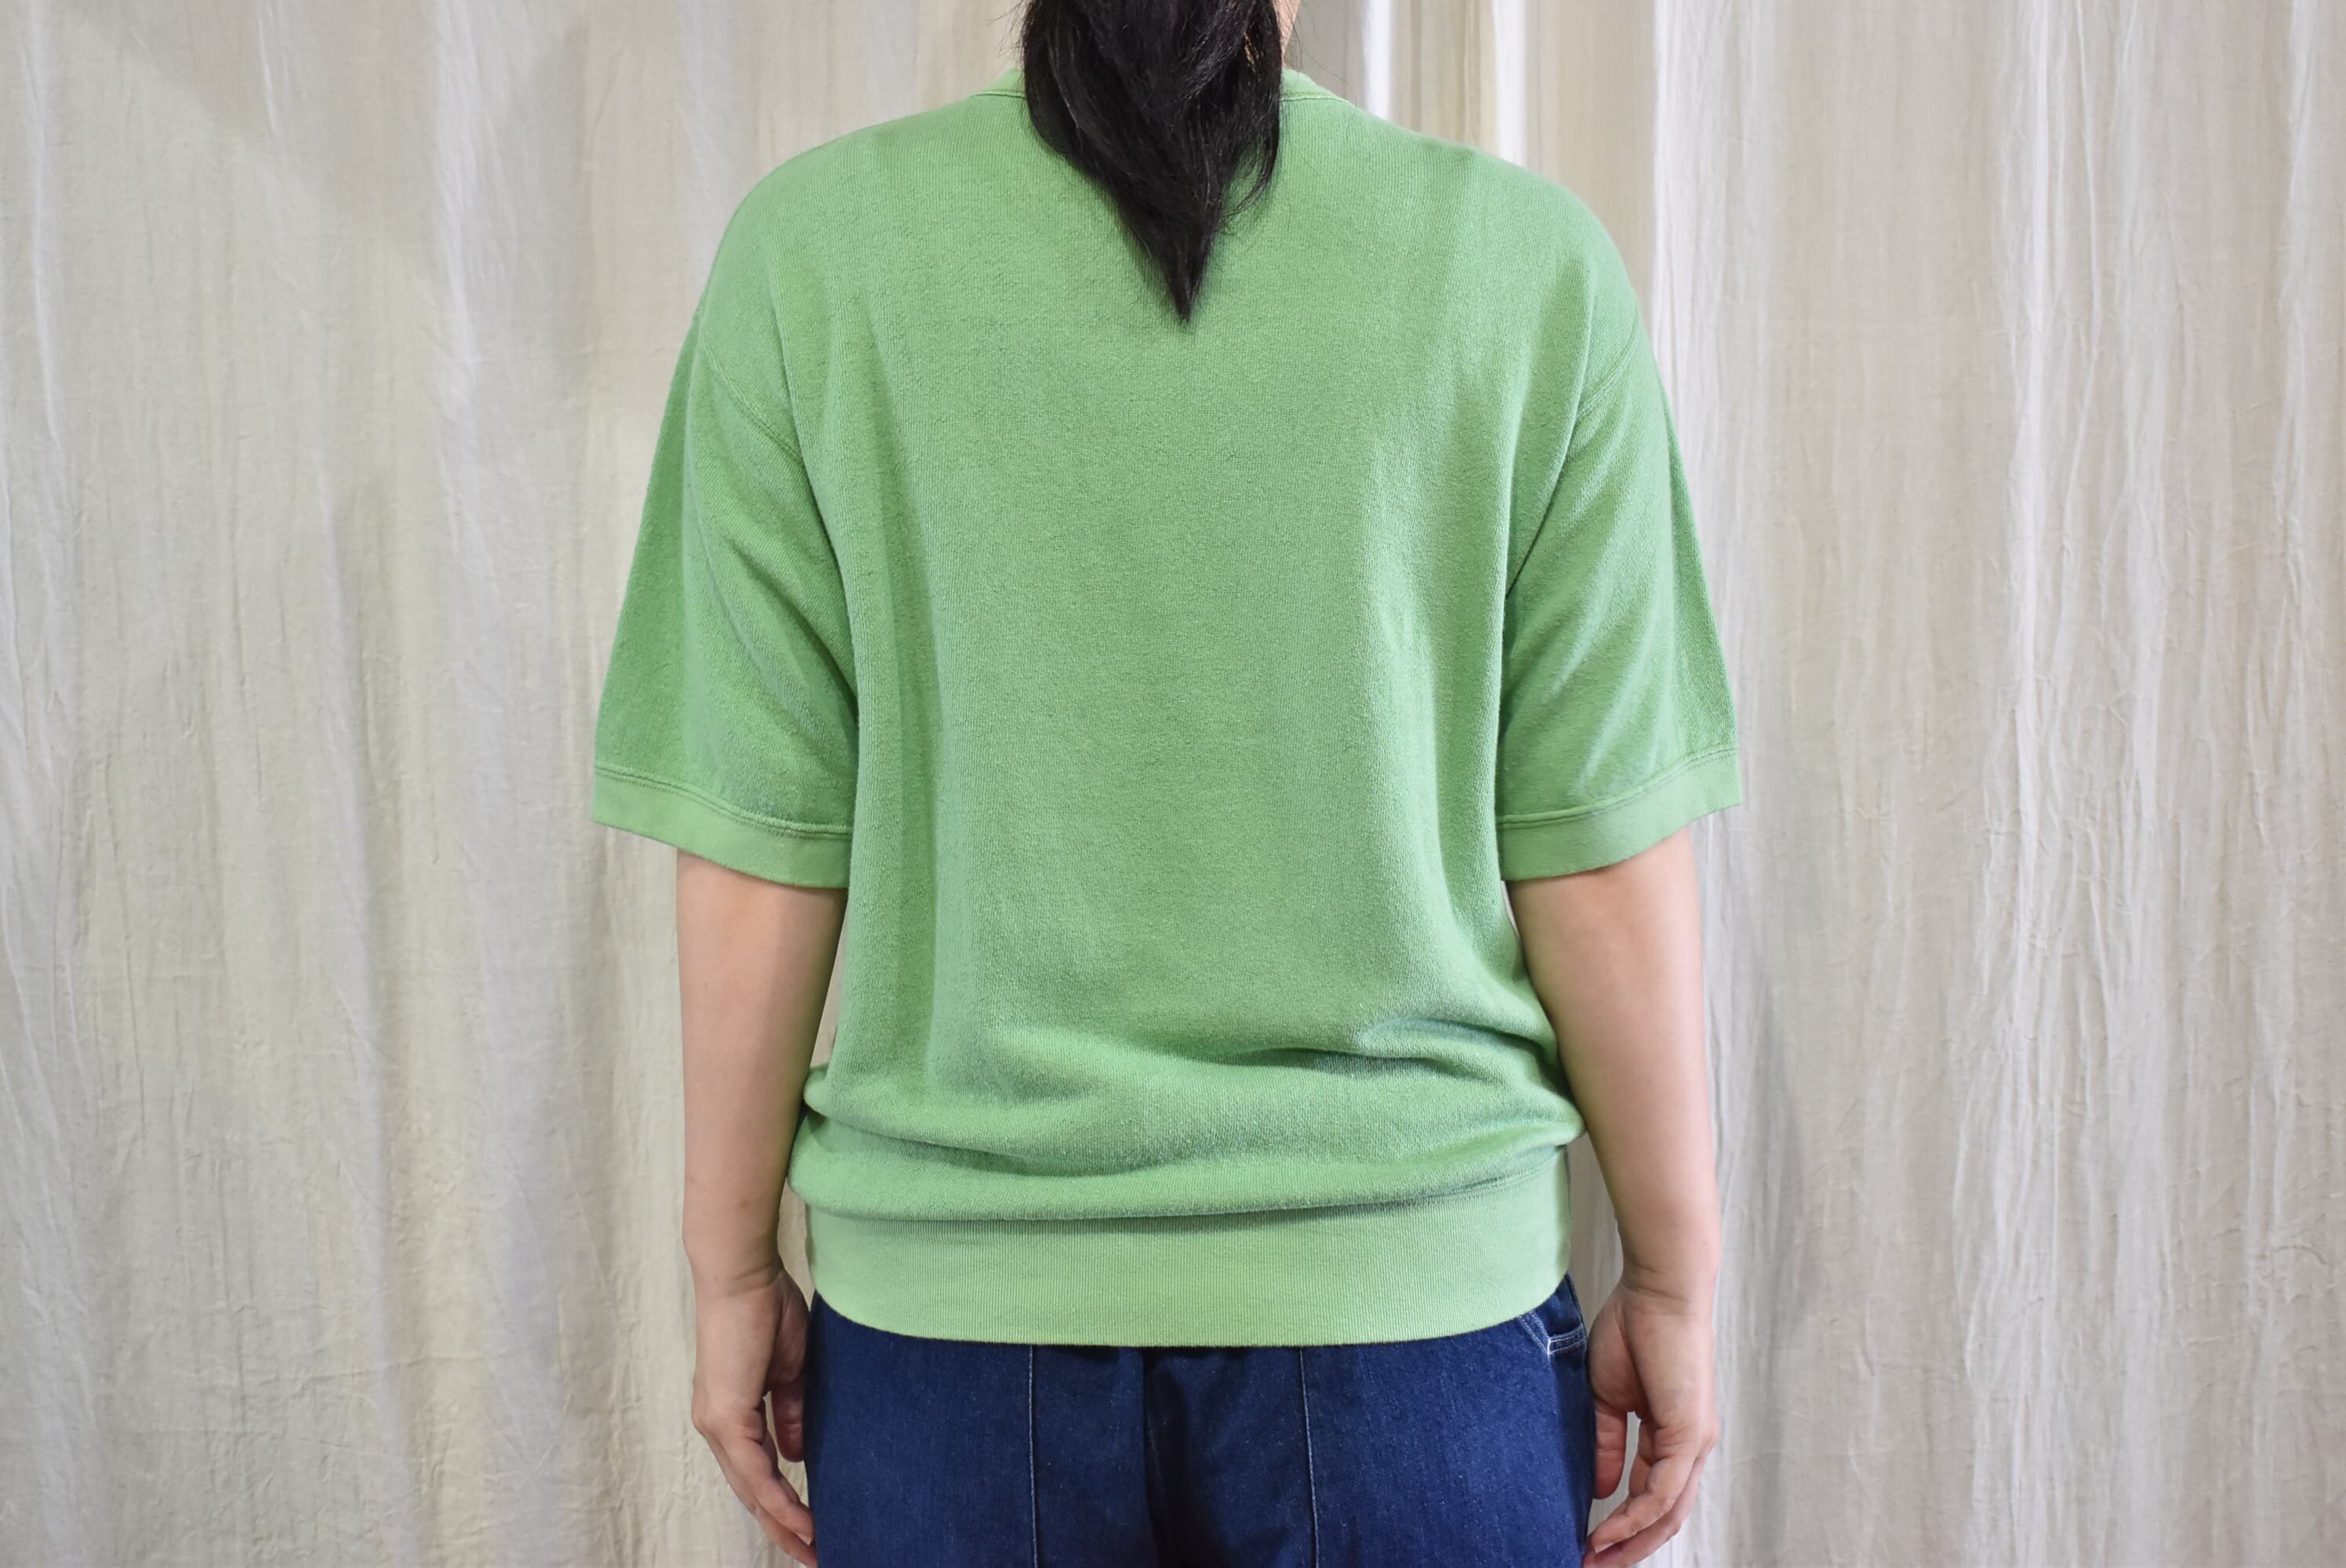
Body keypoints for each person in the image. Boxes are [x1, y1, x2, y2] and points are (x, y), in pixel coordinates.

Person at [589, 0, 1741, 1562]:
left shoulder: (813, 261)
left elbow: (762, 843)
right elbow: (1592, 853)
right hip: (1406, 1325)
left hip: (953, 1345)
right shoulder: (1523, 267)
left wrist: (730, 1273)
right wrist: (1671, 1275)